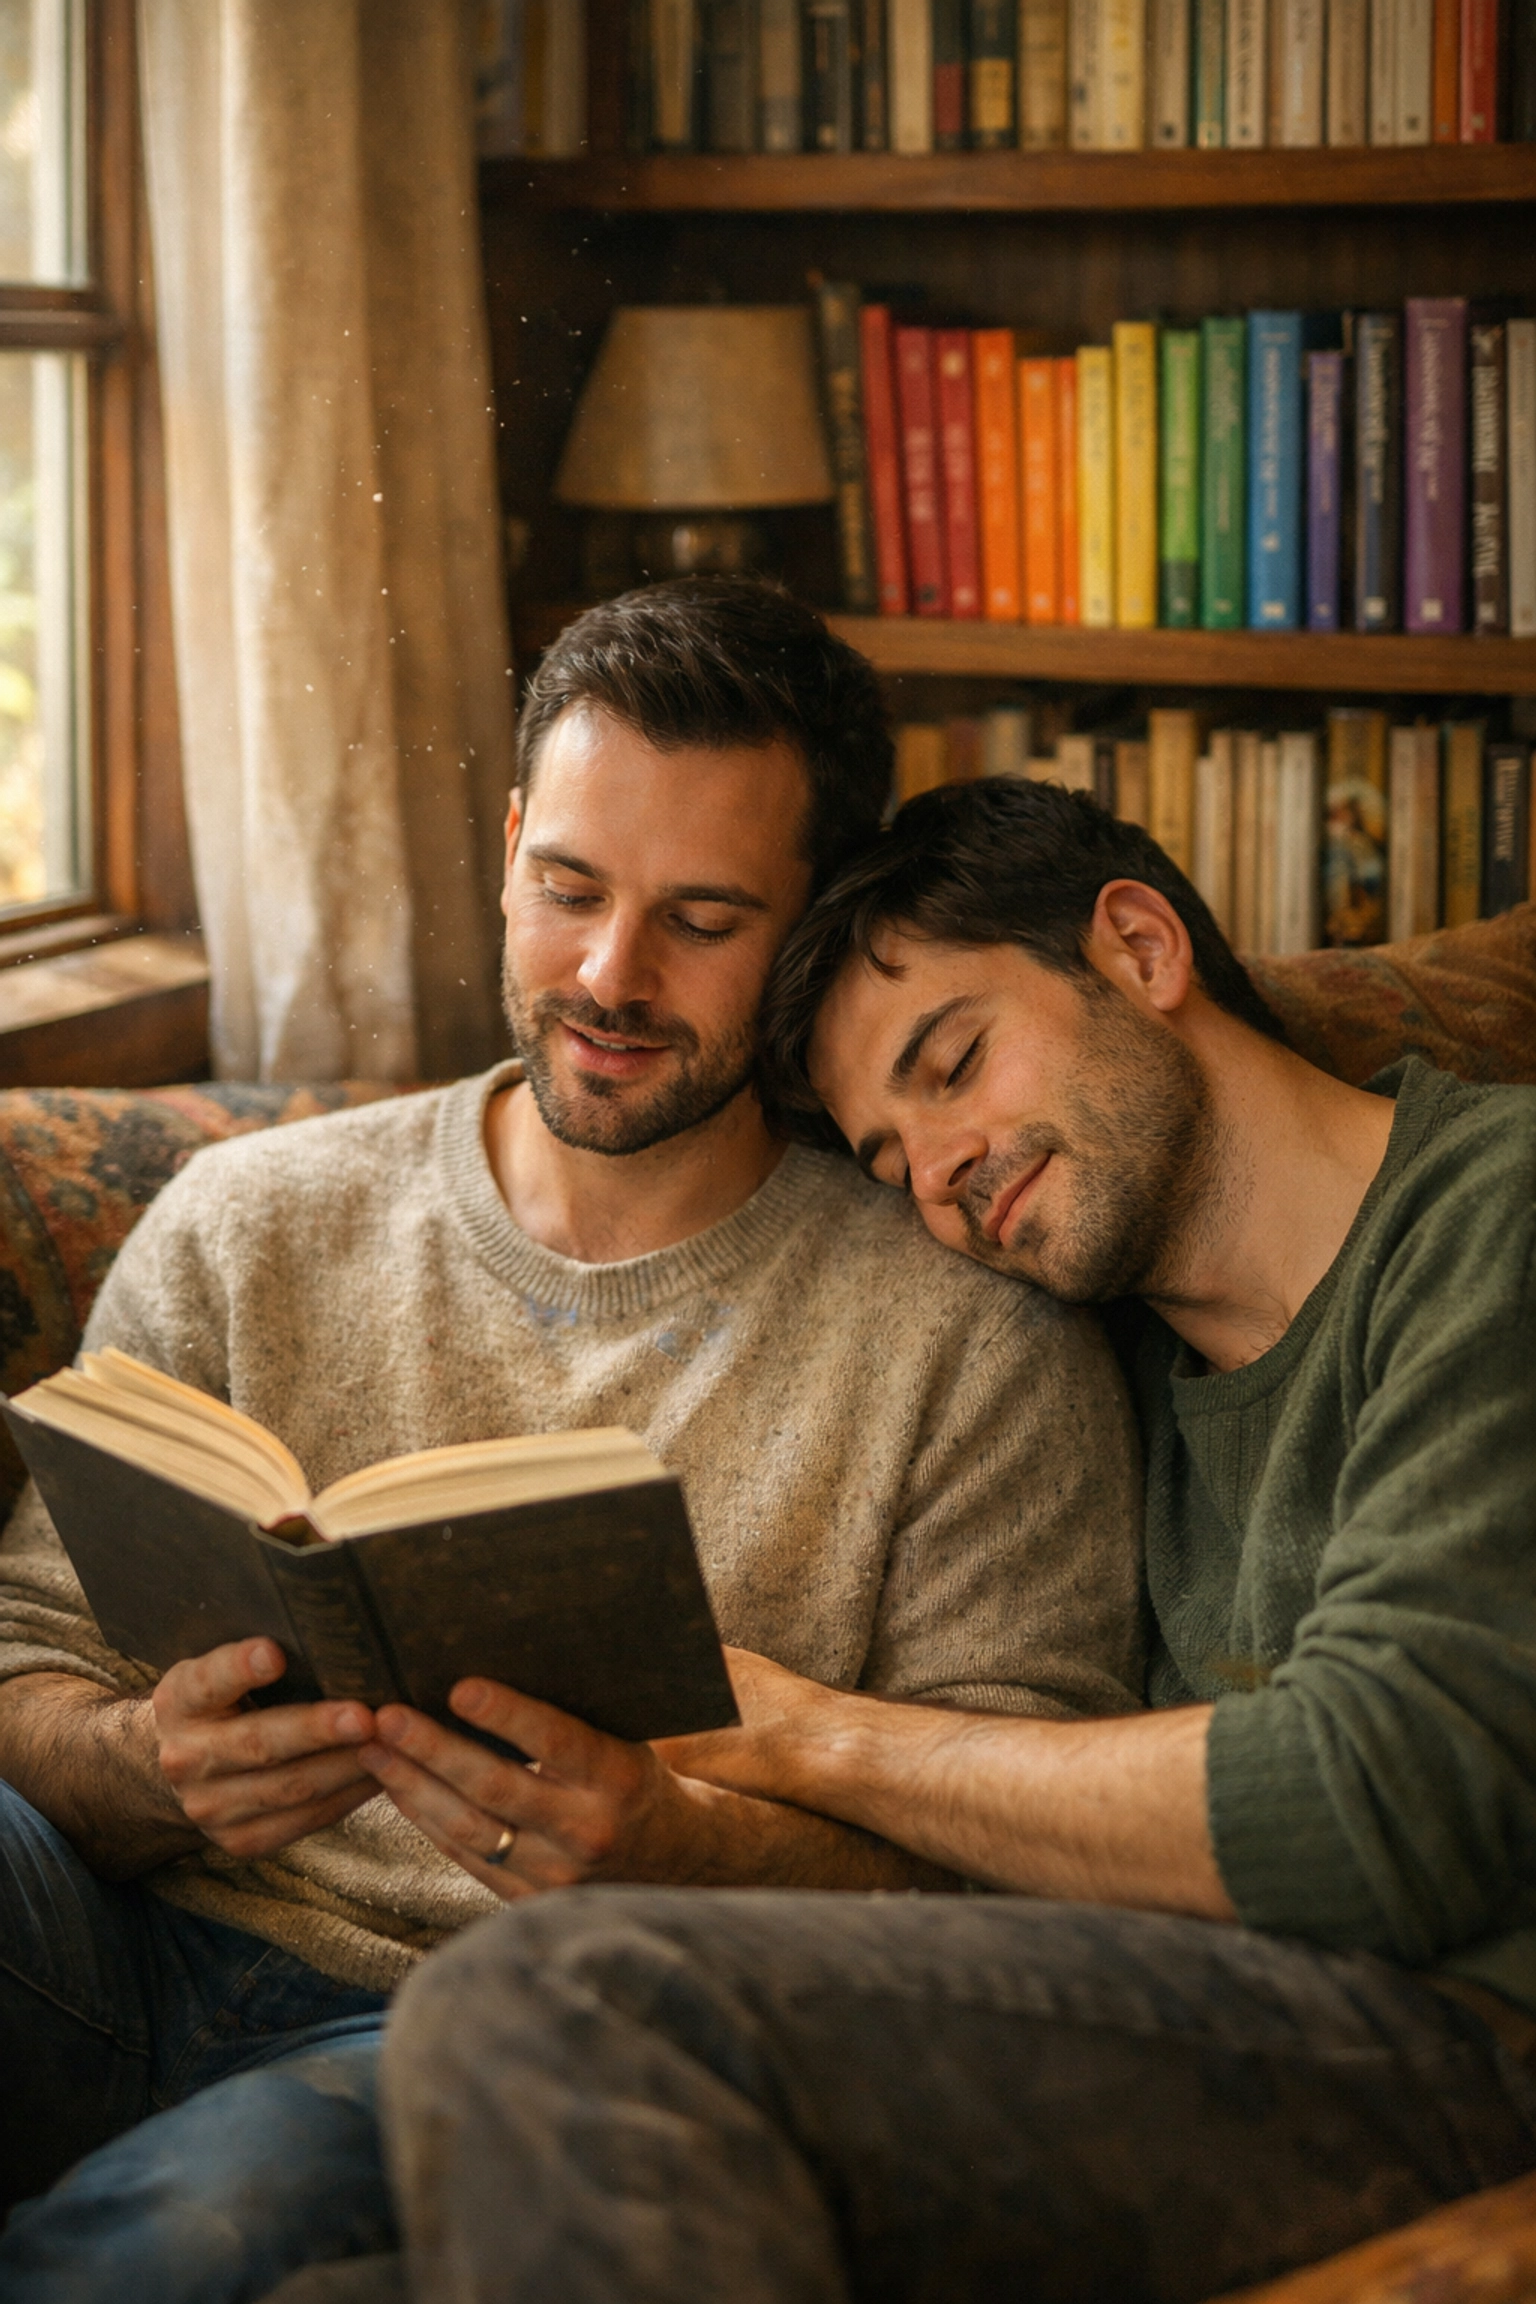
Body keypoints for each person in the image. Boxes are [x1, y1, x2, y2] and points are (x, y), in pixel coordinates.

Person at [0, 594, 1143, 2301]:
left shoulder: (970, 1335)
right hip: (105, 1931)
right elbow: (25, 1661)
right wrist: (144, 1767)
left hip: (500, 2031)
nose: (612, 978)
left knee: (179, 2248)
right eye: (572, 889)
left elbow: (1012, 1872)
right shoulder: (252, 1222)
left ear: (811, 931)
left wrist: (692, 1850)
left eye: (701, 918)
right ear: (514, 841)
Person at [380, 773, 1536, 2304]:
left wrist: (814, 1741)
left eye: (955, 1062)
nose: (938, 1172)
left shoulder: (1494, 1215)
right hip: (1198, 2020)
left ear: (1138, 946)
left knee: (561, 2005)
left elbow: (1383, 1800)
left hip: (1472, 2030)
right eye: (883, 1156)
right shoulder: (1105, 1374)